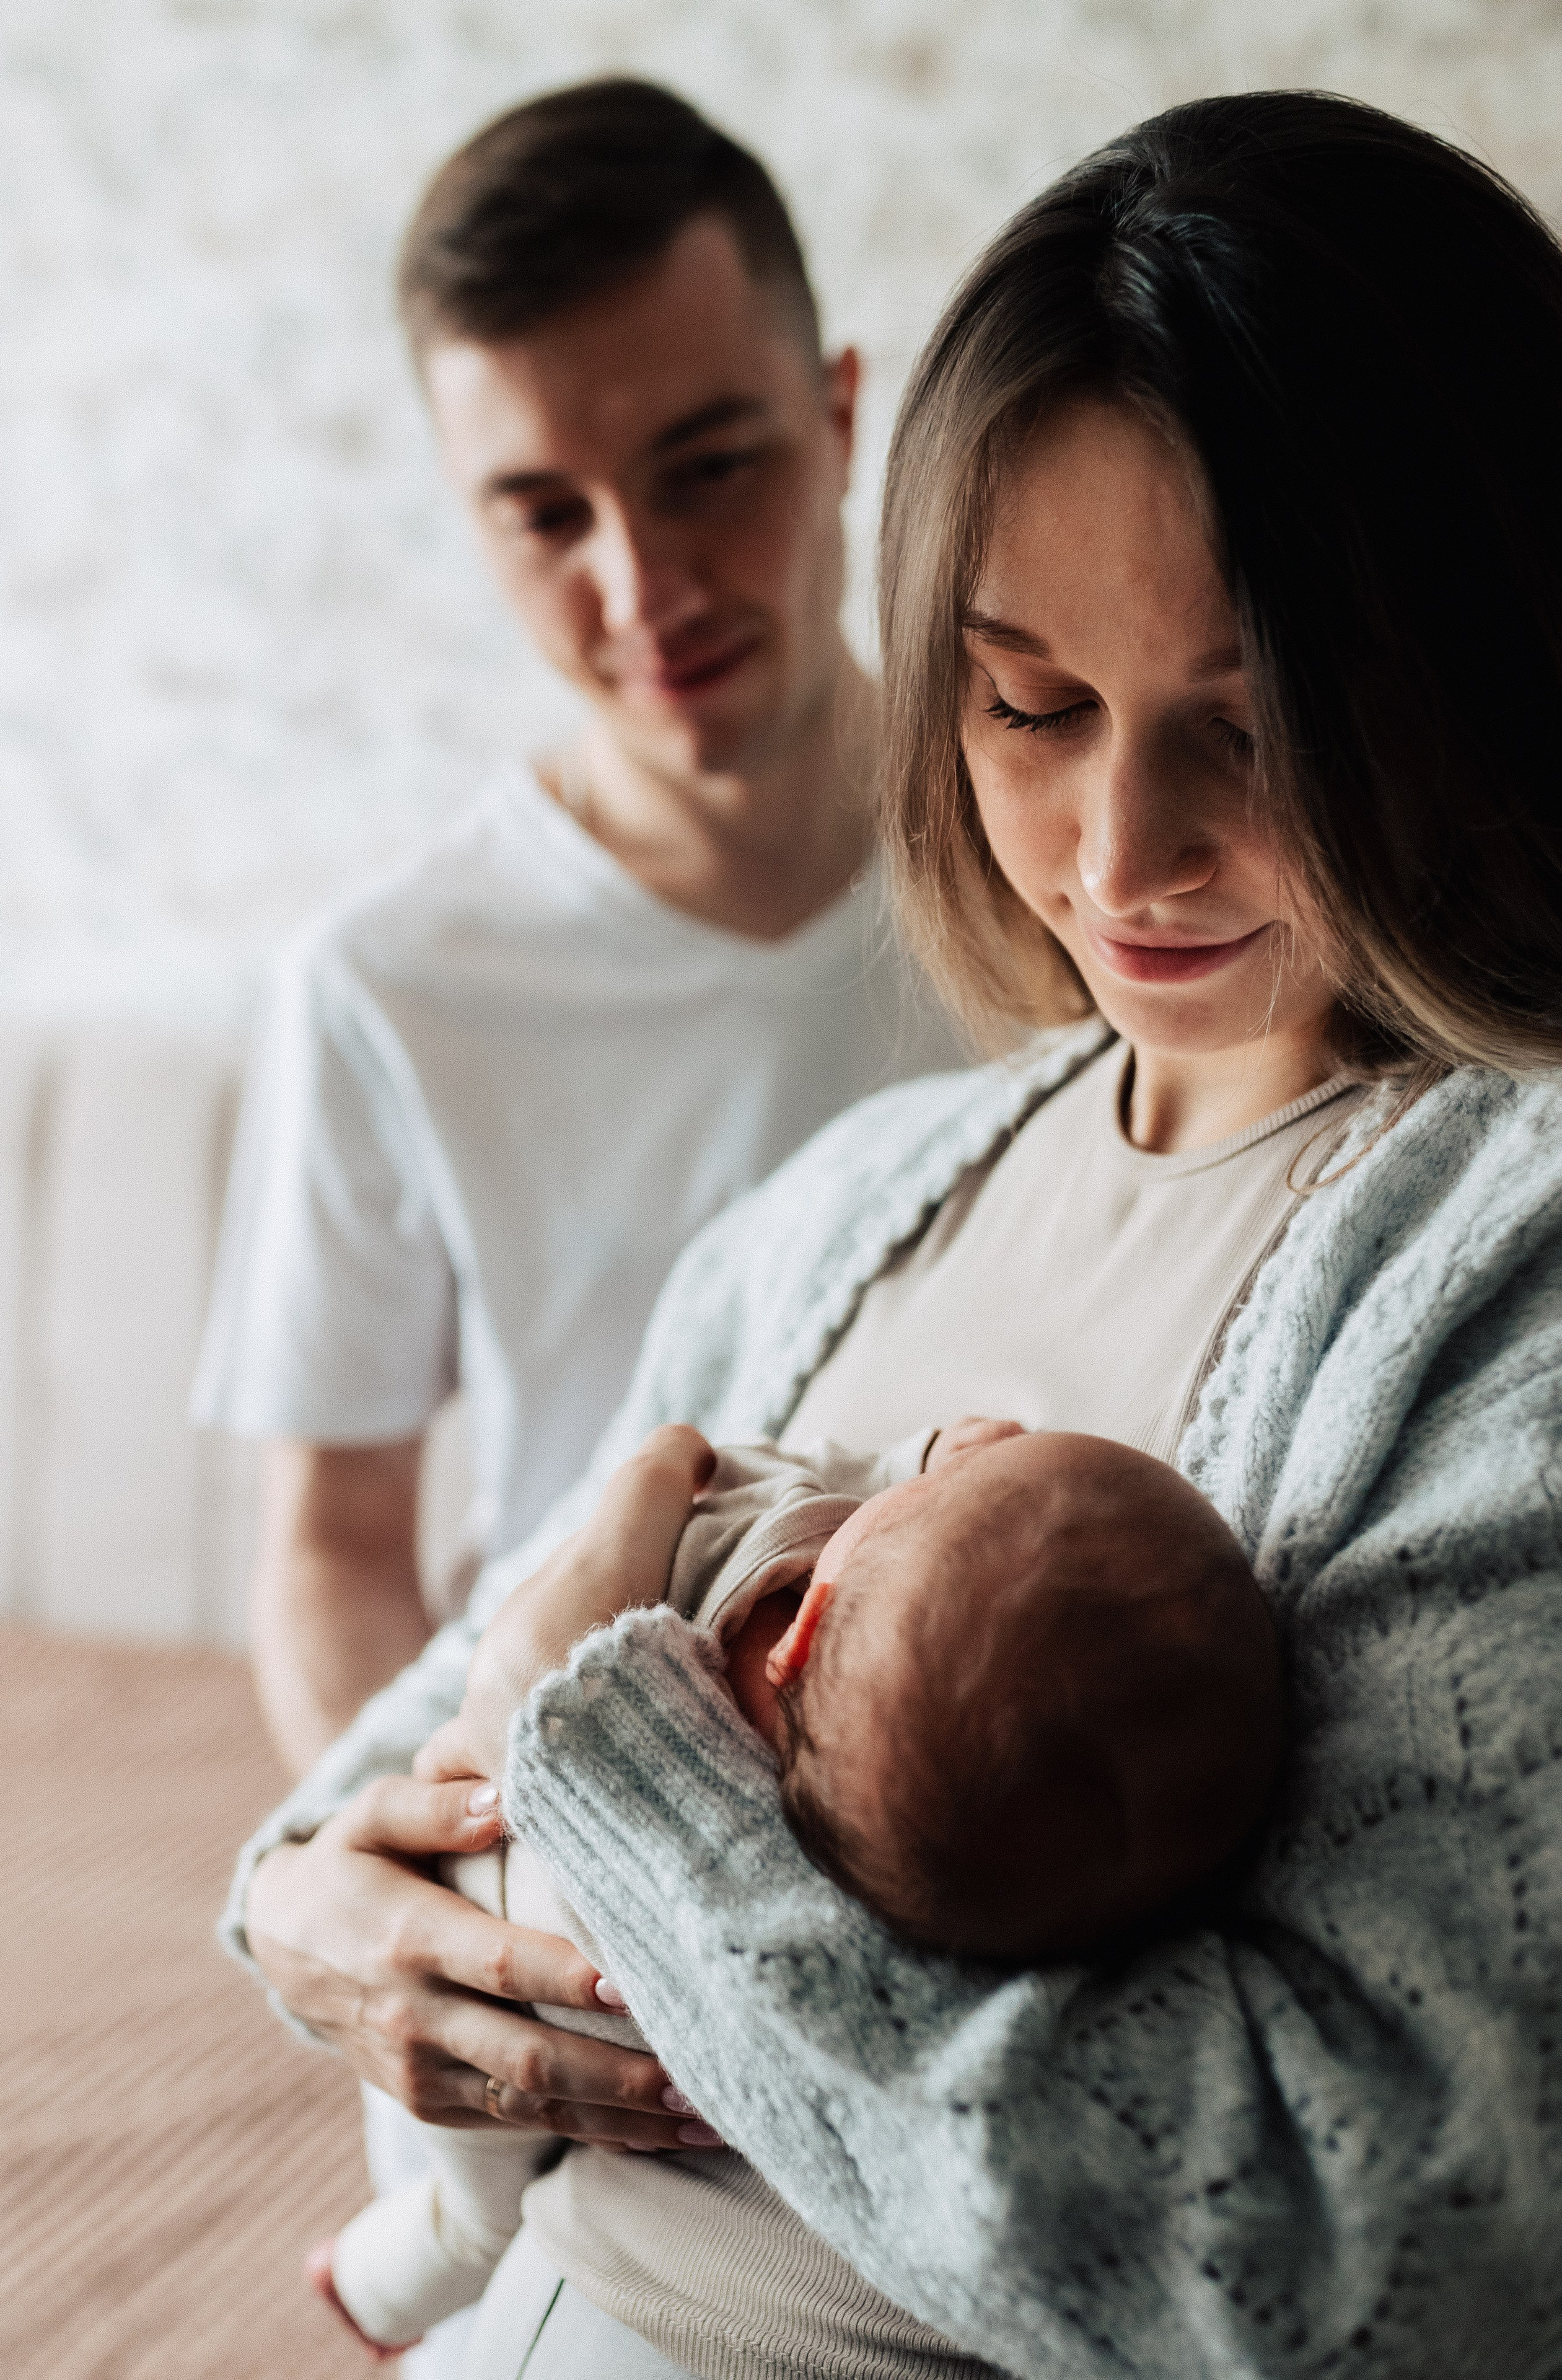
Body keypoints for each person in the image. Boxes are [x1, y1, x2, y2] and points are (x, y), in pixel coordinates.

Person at [229, 90, 1562, 2380]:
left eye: (1250, 733)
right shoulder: (854, 1203)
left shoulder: (1516, 1264)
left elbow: (1380, 2252)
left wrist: (630, 1801)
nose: (1119, 853)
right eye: (1028, 705)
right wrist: (303, 1906)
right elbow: (412, 1719)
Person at [191, 74, 960, 1786]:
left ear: (841, 421)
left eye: (708, 469)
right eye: (546, 513)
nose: (643, 587)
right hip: (576, 1792)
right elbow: (331, 1543)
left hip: (1015, 1768)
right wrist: (410, 1843)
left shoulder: (1089, 877)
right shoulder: (385, 987)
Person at [315, 1418, 1280, 2354]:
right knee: (476, 2190)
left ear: (807, 1622)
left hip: (500, 1922)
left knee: (472, 2165)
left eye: (925, 1497)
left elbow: (749, 1473)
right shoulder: (947, 1877)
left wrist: (913, 1456)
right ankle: (421, 2259)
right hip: (660, 2046)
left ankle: (415, 2264)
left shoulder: (769, 1552)